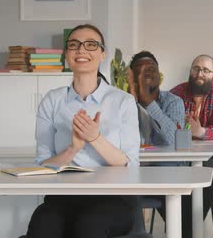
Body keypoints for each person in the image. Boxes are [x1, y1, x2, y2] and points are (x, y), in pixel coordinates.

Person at [26, 24, 140, 238]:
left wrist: (94, 138)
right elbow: (42, 165)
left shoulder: (122, 101)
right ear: (66, 55)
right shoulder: (52, 100)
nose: (81, 50)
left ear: (103, 53)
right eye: (73, 45)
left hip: (111, 199)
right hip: (62, 197)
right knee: (43, 224)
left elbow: (130, 163)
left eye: (91, 45)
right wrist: (72, 148)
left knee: (89, 226)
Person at [170, 54, 213, 237]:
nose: (200, 73)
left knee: (207, 177)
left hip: (208, 158)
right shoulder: (176, 93)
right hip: (177, 155)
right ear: (190, 71)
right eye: (196, 68)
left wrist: (201, 132)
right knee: (161, 175)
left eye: (206, 70)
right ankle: (179, 225)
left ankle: (185, 228)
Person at [127, 50, 185, 148]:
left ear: (159, 75)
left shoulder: (173, 101)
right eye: (140, 69)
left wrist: (148, 102)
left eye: (151, 68)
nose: (147, 73)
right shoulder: (122, 102)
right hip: (135, 162)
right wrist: (130, 102)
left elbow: (175, 141)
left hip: (166, 162)